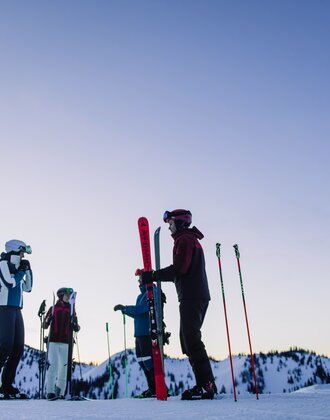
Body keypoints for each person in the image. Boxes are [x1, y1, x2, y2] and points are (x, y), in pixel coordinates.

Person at [139, 209, 216, 400]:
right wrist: (156, 276)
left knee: (191, 339)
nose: (169, 227)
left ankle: (206, 385)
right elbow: (181, 272)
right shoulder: (187, 240)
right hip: (193, 294)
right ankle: (204, 384)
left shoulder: (185, 240)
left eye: (170, 223)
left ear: (180, 223)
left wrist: (154, 275)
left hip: (192, 295)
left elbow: (179, 269)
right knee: (187, 339)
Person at [114, 278, 159, 398]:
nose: (138, 282)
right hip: (139, 333)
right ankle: (152, 388)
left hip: (147, 332)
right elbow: (137, 314)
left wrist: (126, 307)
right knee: (141, 361)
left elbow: (143, 309)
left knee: (148, 361)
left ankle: (157, 387)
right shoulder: (140, 296)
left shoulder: (152, 292)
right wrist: (124, 310)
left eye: (140, 279)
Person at [0, 239, 33, 400]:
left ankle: (6, 386)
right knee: (5, 345)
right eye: (21, 252)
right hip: (4, 308)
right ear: (14, 251)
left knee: (18, 348)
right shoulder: (3, 264)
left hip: (16, 310)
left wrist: (28, 270)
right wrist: (20, 271)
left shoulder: (19, 267)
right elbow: (10, 283)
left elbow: (28, 288)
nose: (23, 255)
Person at [43, 287, 80, 400]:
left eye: (70, 295)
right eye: (66, 295)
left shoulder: (72, 309)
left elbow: (77, 328)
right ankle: (50, 392)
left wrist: (75, 325)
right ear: (60, 295)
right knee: (53, 366)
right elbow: (44, 326)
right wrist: (48, 319)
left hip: (66, 343)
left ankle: (60, 392)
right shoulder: (53, 308)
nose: (68, 297)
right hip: (53, 341)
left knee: (64, 368)